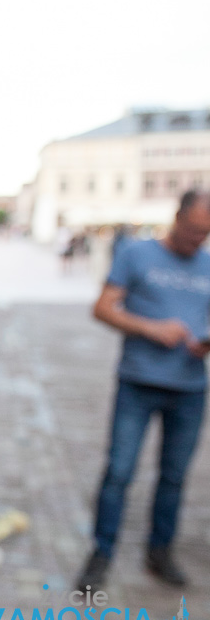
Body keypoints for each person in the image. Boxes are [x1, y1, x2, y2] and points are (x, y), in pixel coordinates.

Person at [77, 190, 210, 592]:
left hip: (189, 386)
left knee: (173, 476)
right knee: (119, 472)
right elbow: (102, 308)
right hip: (139, 380)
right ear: (177, 218)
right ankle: (101, 553)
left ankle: (160, 550)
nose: (196, 240)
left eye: (205, 233)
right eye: (192, 230)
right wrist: (153, 329)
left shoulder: (208, 263)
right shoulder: (136, 254)